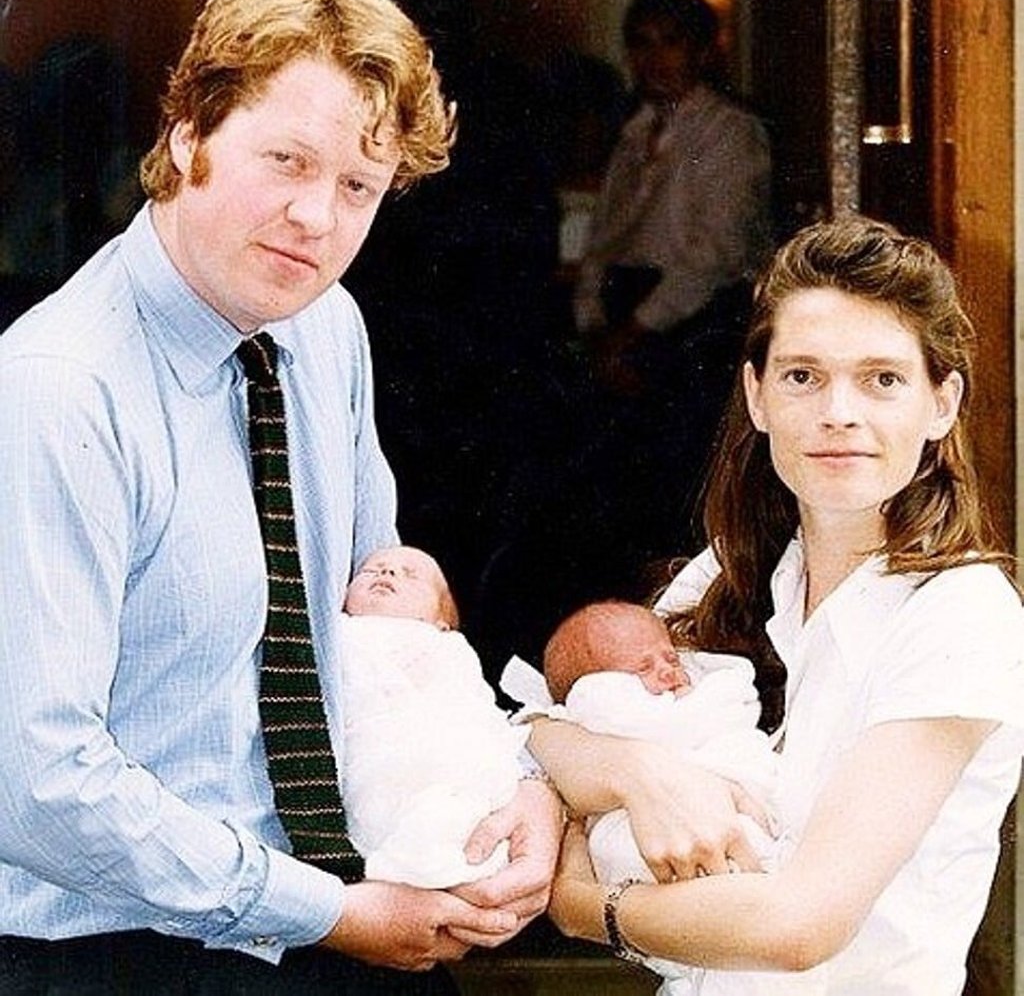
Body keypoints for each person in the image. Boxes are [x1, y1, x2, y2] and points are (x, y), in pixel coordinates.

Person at [0, 0, 562, 994]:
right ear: (187, 135)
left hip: (344, 915)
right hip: (114, 956)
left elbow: (385, 645)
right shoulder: (57, 391)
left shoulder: (324, 328)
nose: (317, 216)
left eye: (358, 186)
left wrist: (520, 784)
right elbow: (34, 783)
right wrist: (326, 912)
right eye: (286, 161)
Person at [531, 215, 1024, 994]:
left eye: (882, 379)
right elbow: (542, 732)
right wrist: (640, 772)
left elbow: (798, 927)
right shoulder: (728, 573)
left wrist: (582, 906)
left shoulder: (961, 614)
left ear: (942, 403)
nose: (839, 412)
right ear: (758, 396)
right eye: (802, 376)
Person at [502, 600, 784, 990]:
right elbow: (544, 722)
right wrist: (633, 768)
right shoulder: (607, 705)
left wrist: (586, 907)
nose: (668, 670)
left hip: (774, 900)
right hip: (682, 876)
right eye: (641, 669)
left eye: (670, 658)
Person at [572, 0, 772, 400]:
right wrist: (592, 324)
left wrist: (632, 334)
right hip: (625, 319)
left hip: (693, 323)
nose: (654, 58)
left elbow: (715, 255)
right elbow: (602, 240)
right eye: (642, 44)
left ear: (701, 51)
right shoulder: (633, 132)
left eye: (671, 42)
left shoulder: (729, 131)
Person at [337, 545, 528, 889]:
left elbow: (476, 707)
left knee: (462, 795)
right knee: (381, 804)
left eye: (411, 575)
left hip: (443, 749)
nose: (387, 573)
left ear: (443, 621)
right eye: (372, 570)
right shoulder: (340, 632)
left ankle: (446, 858)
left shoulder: (448, 648)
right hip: (375, 751)